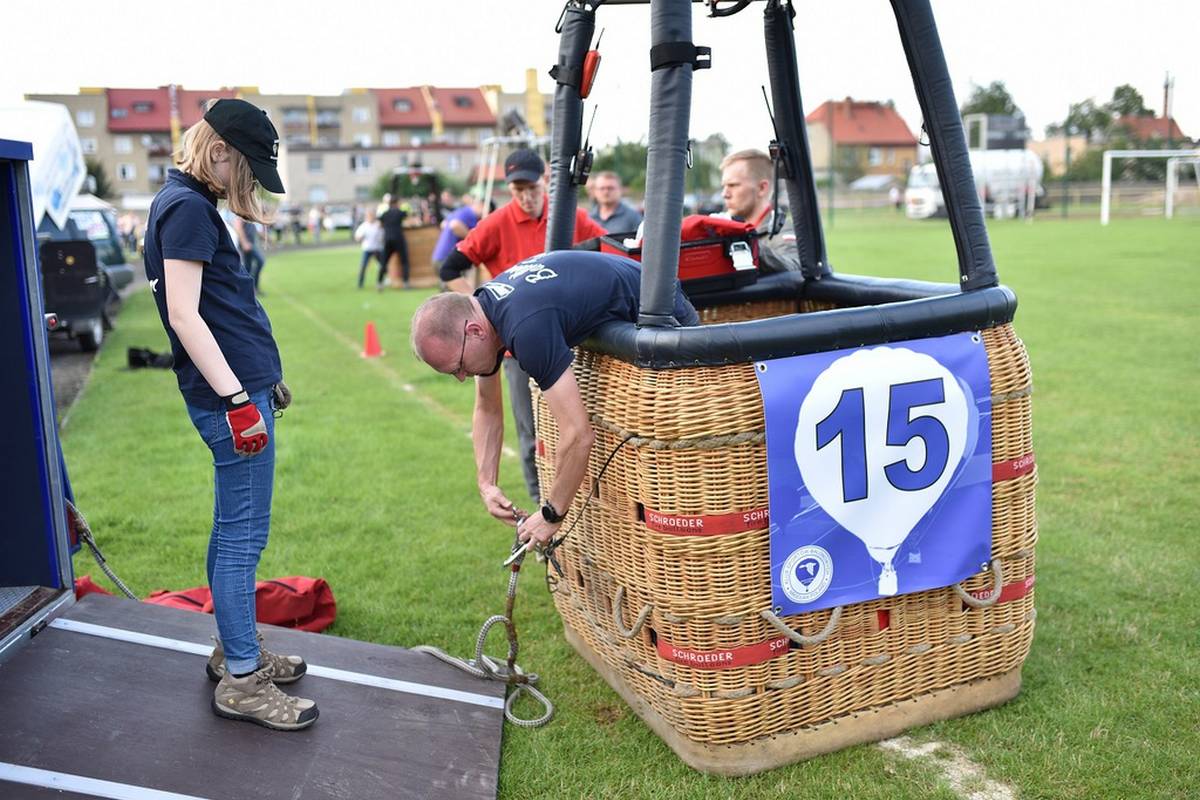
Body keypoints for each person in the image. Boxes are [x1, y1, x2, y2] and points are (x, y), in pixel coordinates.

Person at [141, 98, 317, 731]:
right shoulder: (188, 207)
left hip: (240, 390)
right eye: (247, 170)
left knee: (232, 532)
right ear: (218, 151)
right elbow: (185, 315)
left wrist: (265, 381)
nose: (248, 186)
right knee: (242, 539)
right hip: (229, 401)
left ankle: (234, 649)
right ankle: (242, 678)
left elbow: (223, 308)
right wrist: (241, 400)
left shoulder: (184, 201)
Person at [412, 250, 699, 549]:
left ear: (474, 331)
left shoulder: (525, 327)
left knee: (679, 472)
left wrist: (551, 514)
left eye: (458, 367)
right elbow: (487, 407)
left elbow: (578, 436)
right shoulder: (486, 309)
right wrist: (486, 484)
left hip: (666, 319)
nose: (461, 377)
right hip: (642, 299)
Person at [438, 149, 607, 505]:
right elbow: (449, 267)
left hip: (566, 338)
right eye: (518, 190)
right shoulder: (497, 223)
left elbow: (609, 247)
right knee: (532, 431)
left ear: (545, 180)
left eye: (532, 188)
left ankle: (584, 503)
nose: (526, 197)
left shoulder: (569, 216)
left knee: (579, 424)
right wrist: (478, 311)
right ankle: (537, 503)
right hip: (514, 345)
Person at [715, 149, 802, 274]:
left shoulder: (783, 231)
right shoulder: (725, 230)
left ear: (762, 188)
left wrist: (745, 243)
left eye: (733, 185)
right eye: (724, 186)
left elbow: (794, 267)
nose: (725, 194)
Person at [431, 192, 483, 284]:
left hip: (439, 257)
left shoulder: (458, 212)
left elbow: (443, 224)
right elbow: (455, 225)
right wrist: (473, 240)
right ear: (481, 205)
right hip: (448, 259)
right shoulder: (469, 213)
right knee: (459, 291)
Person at [379, 195, 410, 289]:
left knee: (384, 262)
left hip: (387, 239)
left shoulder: (385, 214)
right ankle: (405, 283)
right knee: (404, 261)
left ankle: (379, 282)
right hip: (398, 239)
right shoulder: (400, 212)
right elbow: (408, 215)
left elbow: (380, 223)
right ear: (397, 203)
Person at [233, 215, 266, 295]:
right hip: (247, 244)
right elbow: (237, 226)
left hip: (251, 243)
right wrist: (244, 242)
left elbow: (256, 229)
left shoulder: (251, 214)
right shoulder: (243, 212)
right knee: (260, 261)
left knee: (248, 267)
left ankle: (249, 289)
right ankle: (253, 287)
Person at [354, 207, 385, 289]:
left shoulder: (379, 225)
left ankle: (382, 281)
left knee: (383, 266)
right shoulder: (364, 226)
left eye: (372, 215)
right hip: (367, 249)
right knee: (363, 266)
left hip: (378, 249)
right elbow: (357, 237)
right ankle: (360, 284)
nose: (371, 216)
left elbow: (383, 236)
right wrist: (360, 238)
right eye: (369, 215)